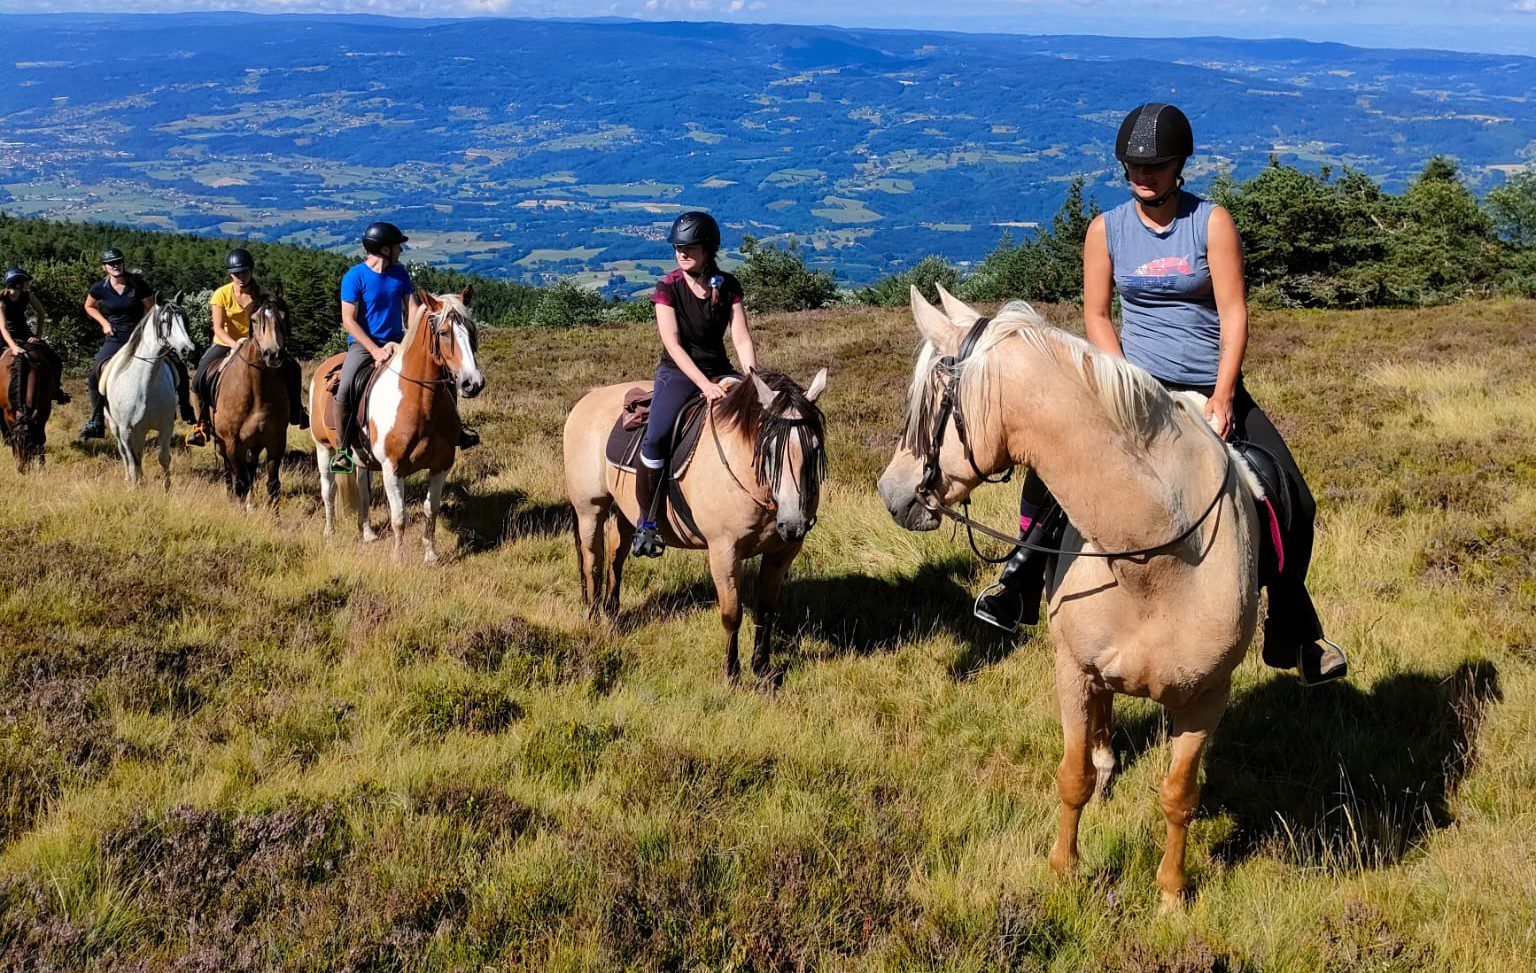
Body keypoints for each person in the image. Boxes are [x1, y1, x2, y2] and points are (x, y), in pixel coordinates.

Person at [974, 102, 1347, 685]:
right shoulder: (1107, 230)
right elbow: (1097, 314)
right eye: (1133, 167)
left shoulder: (1212, 223)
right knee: (1050, 468)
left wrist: (1224, 397)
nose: (1142, 176)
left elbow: (1233, 313)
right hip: (1134, 386)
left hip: (1206, 383)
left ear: (1180, 167)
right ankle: (1018, 583)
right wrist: (1119, 385)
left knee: (1290, 493)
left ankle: (1296, 627)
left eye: (1156, 166)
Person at [631, 210, 757, 558]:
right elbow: (672, 344)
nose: (682, 253)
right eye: (678, 247)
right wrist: (703, 385)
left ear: (708, 249)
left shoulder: (728, 285)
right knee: (655, 437)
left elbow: (742, 338)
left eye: (690, 247)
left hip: (720, 369)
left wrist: (752, 379)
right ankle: (648, 523)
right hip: (678, 373)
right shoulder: (667, 288)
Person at [187, 248, 308, 447]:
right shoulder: (221, 294)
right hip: (226, 344)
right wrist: (235, 344)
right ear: (230, 274)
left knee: (293, 368)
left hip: (260, 346)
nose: (241, 277)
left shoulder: (263, 294)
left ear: (251, 271)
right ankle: (201, 425)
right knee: (199, 378)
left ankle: (297, 411)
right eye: (236, 274)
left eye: (244, 272)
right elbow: (217, 327)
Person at [80, 248, 194, 439]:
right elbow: (89, 306)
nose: (115, 266)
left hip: (140, 336)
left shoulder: (138, 285)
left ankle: (185, 409)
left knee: (178, 366)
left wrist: (148, 334)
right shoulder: (99, 288)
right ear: (104, 267)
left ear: (123, 263)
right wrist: (105, 323)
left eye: (118, 261)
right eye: (111, 263)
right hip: (115, 337)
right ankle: (97, 420)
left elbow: (151, 310)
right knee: (94, 374)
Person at [0, 267, 70, 404]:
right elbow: (2, 327)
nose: (28, 285)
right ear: (17, 284)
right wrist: (13, 347)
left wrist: (38, 335)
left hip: (24, 332)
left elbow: (41, 313)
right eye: (25, 282)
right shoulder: (2, 300)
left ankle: (56, 390)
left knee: (54, 359)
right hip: (4, 336)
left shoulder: (28, 295)